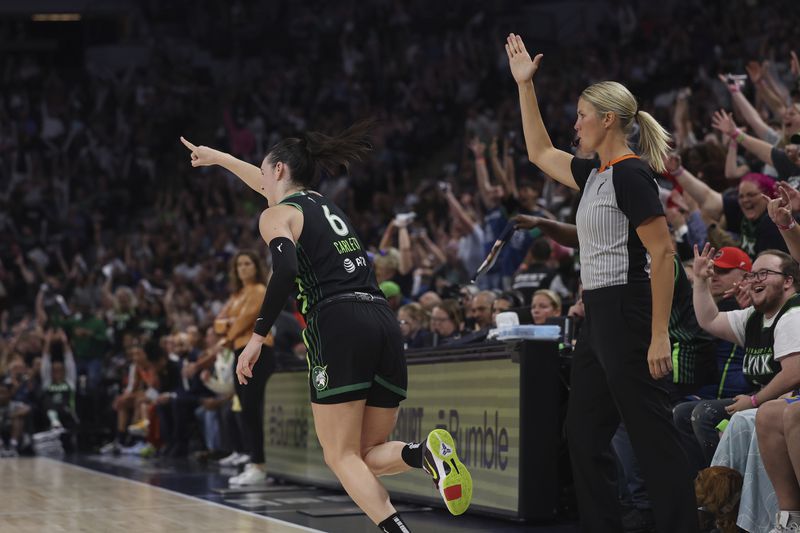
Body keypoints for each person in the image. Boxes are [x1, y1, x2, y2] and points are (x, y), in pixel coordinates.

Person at [180, 124, 471, 533]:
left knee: (338, 456)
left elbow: (284, 270)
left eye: (264, 172)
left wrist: (257, 338)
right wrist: (221, 159)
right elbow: (265, 186)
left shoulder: (275, 215)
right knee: (363, 454)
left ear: (278, 170)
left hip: (337, 321)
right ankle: (424, 454)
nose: (259, 180)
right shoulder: (320, 203)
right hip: (382, 319)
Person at [506, 33, 697, 533]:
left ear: (607, 119)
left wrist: (659, 334)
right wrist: (526, 87)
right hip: (598, 314)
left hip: (627, 312)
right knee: (584, 433)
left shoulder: (633, 176)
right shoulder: (594, 171)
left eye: (581, 115)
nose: (576, 124)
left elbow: (663, 255)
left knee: (651, 430)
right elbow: (538, 152)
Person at [213, 250, 276, 485]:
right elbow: (218, 322)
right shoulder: (237, 295)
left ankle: (259, 465)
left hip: (259, 350)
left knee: (251, 407)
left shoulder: (259, 290)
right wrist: (228, 329)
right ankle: (254, 463)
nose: (243, 268)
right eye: (239, 265)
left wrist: (228, 331)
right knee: (245, 409)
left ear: (256, 266)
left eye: (247, 263)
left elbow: (244, 320)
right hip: (240, 350)